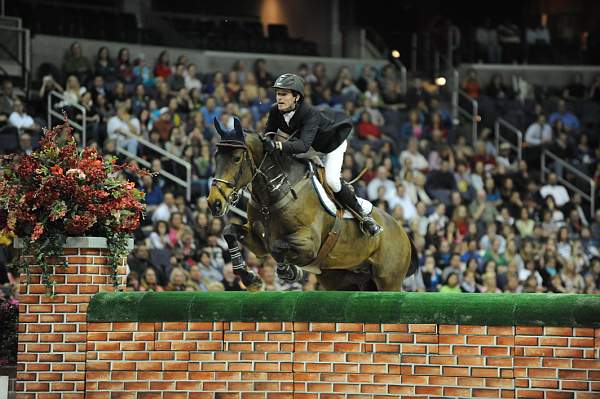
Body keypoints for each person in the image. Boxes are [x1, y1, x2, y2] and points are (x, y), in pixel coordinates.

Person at [263, 73, 382, 236]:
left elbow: (303, 145)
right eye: (278, 94)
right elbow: (267, 135)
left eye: (284, 94)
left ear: (296, 97)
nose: (279, 98)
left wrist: (276, 145)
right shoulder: (275, 111)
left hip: (331, 144)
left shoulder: (308, 113)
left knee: (331, 181)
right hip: (309, 146)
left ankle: (363, 216)